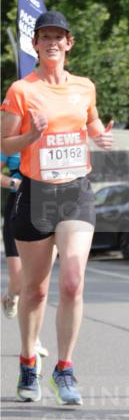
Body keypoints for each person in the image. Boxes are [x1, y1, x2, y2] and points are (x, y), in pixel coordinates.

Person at [0, 11, 113, 406]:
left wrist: (100, 136)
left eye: (58, 37)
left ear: (69, 43)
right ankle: (28, 361)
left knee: (72, 281)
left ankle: (64, 369)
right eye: (44, 37)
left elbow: (92, 123)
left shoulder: (85, 87)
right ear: (35, 44)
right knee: (35, 290)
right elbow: (4, 144)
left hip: (76, 192)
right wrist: (31, 135)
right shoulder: (21, 90)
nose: (52, 43)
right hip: (36, 194)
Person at [1, 151, 50, 357]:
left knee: (37, 282)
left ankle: (33, 339)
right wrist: (15, 183)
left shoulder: (50, 138)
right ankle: (10, 295)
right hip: (18, 206)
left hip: (47, 204)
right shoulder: (10, 141)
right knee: (19, 281)